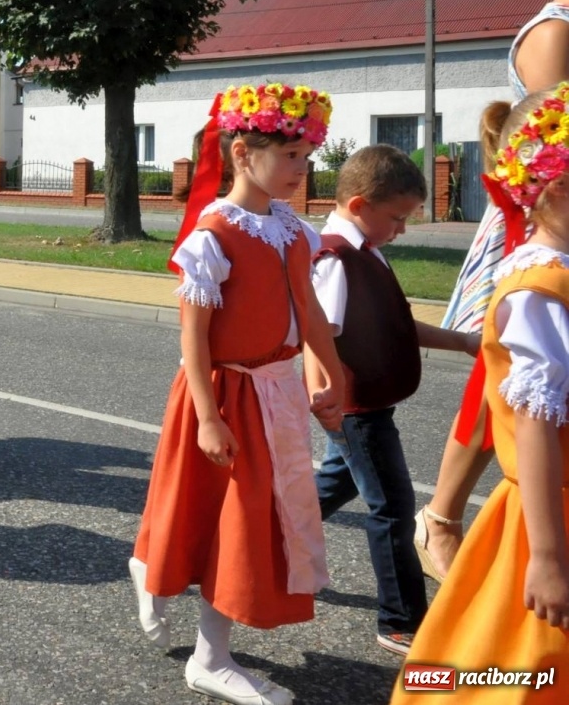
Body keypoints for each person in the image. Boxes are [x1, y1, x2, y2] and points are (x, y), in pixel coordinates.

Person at [131, 82, 346, 705]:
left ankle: (203, 643)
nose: (301, 172)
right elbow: (193, 340)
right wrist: (206, 417)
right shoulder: (213, 237)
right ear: (242, 152)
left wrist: (331, 372)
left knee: (248, 524)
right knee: (217, 519)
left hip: (274, 394)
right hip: (226, 397)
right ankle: (203, 644)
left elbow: (307, 310)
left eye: (307, 159)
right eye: (290, 158)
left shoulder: (293, 230)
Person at [389, 87, 569, 703]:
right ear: (554, 191)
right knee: (520, 666)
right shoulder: (537, 289)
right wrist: (547, 556)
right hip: (549, 519)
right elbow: (537, 426)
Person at [422, 0, 569, 582]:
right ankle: (444, 514)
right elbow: (548, 145)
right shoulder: (554, 34)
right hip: (539, 212)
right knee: (506, 372)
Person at [310, 145, 479, 657]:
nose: (402, 229)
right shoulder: (336, 257)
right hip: (356, 409)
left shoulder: (367, 250)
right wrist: (327, 396)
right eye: (398, 218)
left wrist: (465, 342)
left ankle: (252, 543)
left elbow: (399, 324)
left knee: (328, 488)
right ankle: (401, 620)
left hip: (367, 405)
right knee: (392, 508)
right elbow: (316, 335)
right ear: (360, 205)